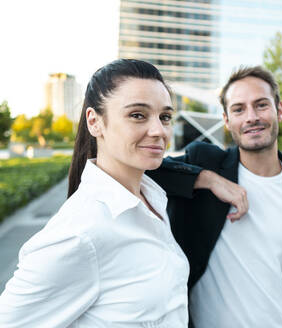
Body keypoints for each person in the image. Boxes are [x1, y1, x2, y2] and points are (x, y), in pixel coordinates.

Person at [0, 59, 194, 327]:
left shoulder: (151, 198)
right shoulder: (80, 233)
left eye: (165, 117)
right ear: (95, 122)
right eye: (137, 115)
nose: (159, 130)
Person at [147, 66, 282, 328]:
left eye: (261, 105)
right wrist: (208, 179)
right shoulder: (206, 163)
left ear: (279, 110)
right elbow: (146, 169)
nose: (251, 117)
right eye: (239, 109)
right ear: (227, 120)